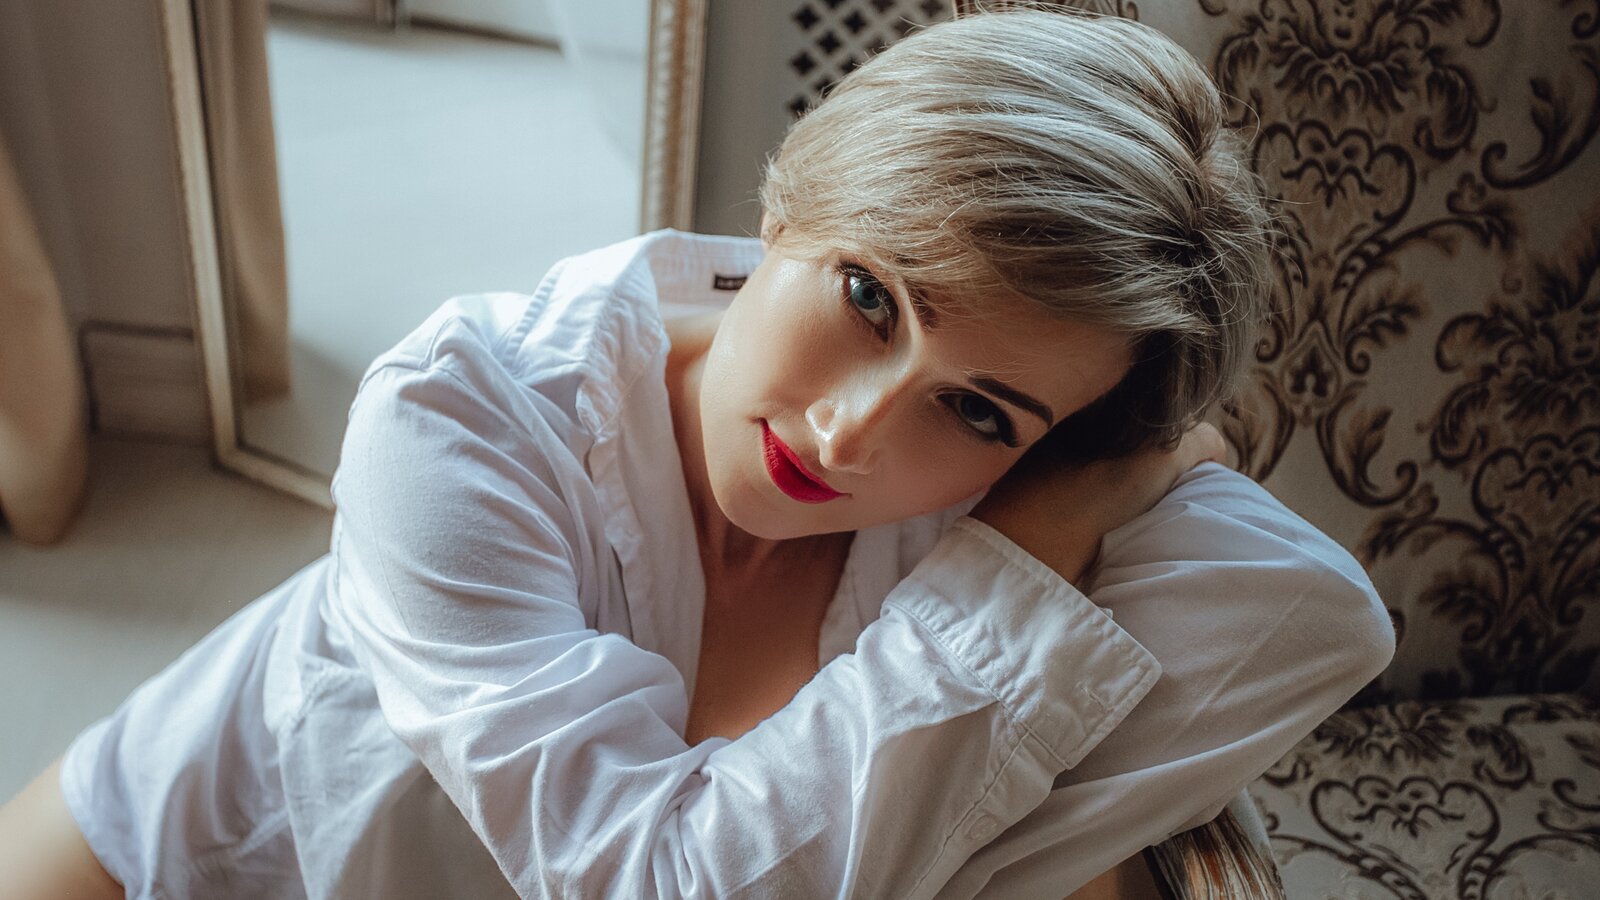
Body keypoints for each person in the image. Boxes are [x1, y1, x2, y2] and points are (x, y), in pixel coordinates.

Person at [0, 7, 1394, 899]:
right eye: (870, 298)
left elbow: (1323, 622)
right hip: (181, 852)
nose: (850, 434)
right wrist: (1023, 558)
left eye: (978, 408)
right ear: (791, 203)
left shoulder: (1007, 498)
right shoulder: (459, 412)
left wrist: (1062, 492)